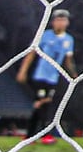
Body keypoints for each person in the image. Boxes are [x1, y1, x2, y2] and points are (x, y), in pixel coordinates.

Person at [16, 9, 76, 143]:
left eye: (63, 20)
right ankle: (45, 135)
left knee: (41, 105)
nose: (60, 23)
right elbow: (31, 53)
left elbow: (68, 60)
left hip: (53, 78)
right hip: (41, 76)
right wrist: (23, 71)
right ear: (53, 22)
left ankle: (30, 135)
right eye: (58, 20)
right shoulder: (45, 35)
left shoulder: (69, 40)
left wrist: (74, 75)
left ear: (67, 22)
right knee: (44, 104)